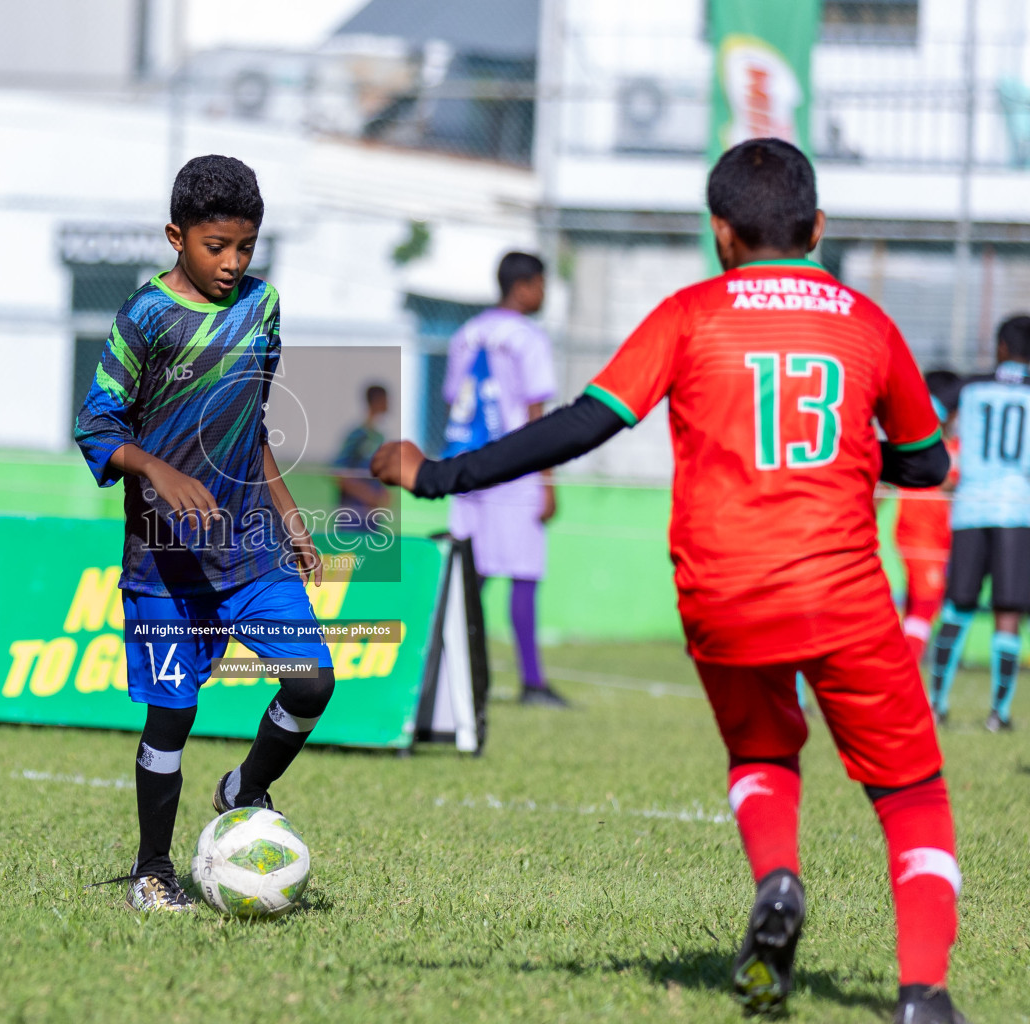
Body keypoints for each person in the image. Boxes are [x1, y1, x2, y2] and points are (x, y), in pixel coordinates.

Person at [372, 139, 965, 1024]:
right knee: (911, 791)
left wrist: (437, 475)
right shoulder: (866, 323)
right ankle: (921, 994)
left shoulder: (690, 314)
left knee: (764, 753)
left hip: (722, 593)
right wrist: (860, 447)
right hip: (841, 597)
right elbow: (923, 467)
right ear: (820, 228)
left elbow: (580, 425)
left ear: (721, 233)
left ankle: (776, 880)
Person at [75, 154, 334, 913]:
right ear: (175, 236)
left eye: (244, 247)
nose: (232, 263)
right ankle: (153, 870)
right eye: (215, 246)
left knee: (313, 679)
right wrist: (157, 471)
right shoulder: (144, 317)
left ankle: (245, 787)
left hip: (249, 548)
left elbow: (250, 424)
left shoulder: (264, 308)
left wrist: (288, 515)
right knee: (173, 716)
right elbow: (97, 425)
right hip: (163, 565)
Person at [443, 251, 564, 706]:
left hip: (471, 466)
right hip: (516, 466)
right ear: (525, 286)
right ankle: (532, 681)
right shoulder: (527, 337)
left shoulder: (466, 334)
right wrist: (548, 482)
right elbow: (536, 413)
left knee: (471, 570)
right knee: (523, 571)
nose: (543, 294)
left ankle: (446, 670)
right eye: (542, 285)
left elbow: (454, 402)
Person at [928, 316, 1030, 732]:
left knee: (957, 607)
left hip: (970, 507)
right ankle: (999, 714)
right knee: (1008, 613)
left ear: (1001, 347)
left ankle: (936, 706)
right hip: (1017, 511)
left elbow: (923, 416)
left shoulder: (967, 384)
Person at [893, 370, 961, 665]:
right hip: (923, 536)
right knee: (924, 607)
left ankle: (899, 669)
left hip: (927, 535)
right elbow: (947, 479)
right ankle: (903, 675)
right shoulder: (938, 447)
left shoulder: (925, 440)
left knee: (914, 609)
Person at [331, 383, 390, 528]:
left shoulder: (378, 437)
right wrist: (368, 495)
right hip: (353, 516)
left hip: (371, 518)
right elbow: (338, 474)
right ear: (377, 401)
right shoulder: (357, 435)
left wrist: (382, 493)